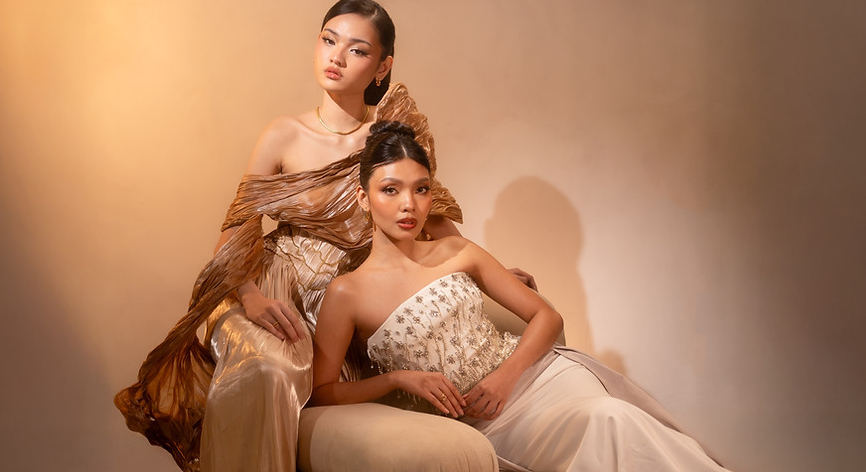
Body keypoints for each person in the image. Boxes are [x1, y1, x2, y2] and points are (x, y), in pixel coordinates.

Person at [114, 0, 529, 472]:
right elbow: (232, 235)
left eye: (357, 50)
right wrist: (251, 298)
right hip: (276, 288)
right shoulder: (283, 134)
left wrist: (490, 274)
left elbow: (428, 218)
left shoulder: (390, 134)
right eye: (329, 41)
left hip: (346, 299)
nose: (336, 57)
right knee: (267, 368)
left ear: (382, 66)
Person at [310, 121, 730, 472]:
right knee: (609, 422)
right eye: (391, 190)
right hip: (482, 422)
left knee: (611, 417)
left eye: (421, 189)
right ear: (363, 198)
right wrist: (397, 380)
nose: (409, 204)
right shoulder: (348, 292)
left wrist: (504, 377)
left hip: (542, 381)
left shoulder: (457, 250)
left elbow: (548, 317)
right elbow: (321, 392)